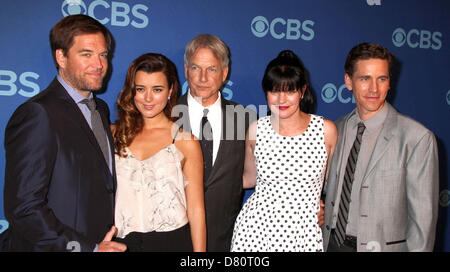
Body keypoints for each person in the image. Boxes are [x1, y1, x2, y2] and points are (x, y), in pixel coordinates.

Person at [2, 14, 126, 252]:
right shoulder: (38, 113)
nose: (99, 65)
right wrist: (88, 248)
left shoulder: (99, 109)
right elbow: (24, 208)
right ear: (61, 57)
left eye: (103, 55)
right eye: (86, 54)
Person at [322, 42, 439, 252]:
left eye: (382, 78)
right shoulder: (335, 129)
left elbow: (423, 223)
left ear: (389, 82)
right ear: (348, 81)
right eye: (365, 78)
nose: (374, 88)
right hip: (330, 245)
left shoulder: (417, 138)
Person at [231, 50, 338, 252]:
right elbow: (249, 178)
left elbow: (333, 185)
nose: (281, 99)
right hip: (255, 232)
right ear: (266, 92)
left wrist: (326, 208)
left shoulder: (326, 131)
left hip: (304, 232)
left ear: (302, 91)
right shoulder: (256, 129)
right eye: (274, 91)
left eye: (289, 91)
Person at [112, 53, 206, 252]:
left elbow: (196, 209)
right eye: (140, 89)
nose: (148, 98)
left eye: (157, 89)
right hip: (121, 243)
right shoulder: (114, 134)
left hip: (172, 243)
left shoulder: (185, 141)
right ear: (132, 91)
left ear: (170, 90)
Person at [174, 34, 253, 251]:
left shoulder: (245, 119)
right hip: (172, 239)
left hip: (225, 240)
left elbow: (266, 174)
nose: (202, 78)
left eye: (211, 69)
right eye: (196, 68)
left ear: (224, 73)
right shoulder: (165, 115)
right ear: (185, 69)